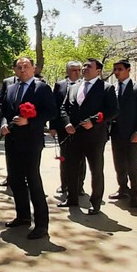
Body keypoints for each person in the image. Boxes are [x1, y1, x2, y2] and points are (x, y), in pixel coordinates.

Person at [0, 57, 57, 239]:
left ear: (33, 69)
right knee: (15, 180)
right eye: (19, 67)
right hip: (12, 141)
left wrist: (29, 121)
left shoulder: (42, 88)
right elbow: (4, 111)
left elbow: (51, 111)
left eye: (26, 67)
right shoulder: (11, 88)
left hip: (31, 142)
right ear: (15, 70)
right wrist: (3, 125)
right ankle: (23, 216)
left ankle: (42, 225)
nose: (23, 70)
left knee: (33, 181)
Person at [58, 58, 118, 215]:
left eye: (88, 66)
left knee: (96, 170)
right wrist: (67, 123)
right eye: (84, 66)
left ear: (98, 71)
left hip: (95, 137)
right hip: (74, 136)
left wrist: (94, 121)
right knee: (71, 169)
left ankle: (96, 203)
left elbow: (113, 111)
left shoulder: (106, 88)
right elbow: (64, 108)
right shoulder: (74, 87)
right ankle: (72, 198)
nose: (84, 68)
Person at [108, 60, 137, 208]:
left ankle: (134, 194)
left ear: (128, 70)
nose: (117, 72)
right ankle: (122, 188)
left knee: (132, 165)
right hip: (116, 133)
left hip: (132, 134)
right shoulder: (113, 88)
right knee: (119, 164)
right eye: (115, 69)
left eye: (119, 69)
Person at [49, 61, 87, 197]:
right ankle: (64, 184)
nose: (77, 72)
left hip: (80, 128)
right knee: (65, 157)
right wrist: (52, 126)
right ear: (67, 71)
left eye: (79, 70)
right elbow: (55, 106)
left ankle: (79, 186)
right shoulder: (60, 85)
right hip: (63, 128)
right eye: (73, 70)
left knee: (81, 159)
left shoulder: (85, 85)